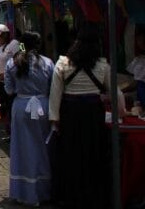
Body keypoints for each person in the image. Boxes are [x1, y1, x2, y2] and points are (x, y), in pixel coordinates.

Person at [48, 28, 119, 208]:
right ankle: (93, 196)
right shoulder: (102, 66)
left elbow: (55, 94)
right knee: (93, 153)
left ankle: (70, 196)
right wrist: (121, 112)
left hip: (70, 113)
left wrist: (54, 119)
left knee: (71, 154)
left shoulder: (63, 63)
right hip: (93, 114)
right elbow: (115, 94)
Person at [4, 31, 54, 206]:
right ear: (38, 45)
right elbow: (52, 88)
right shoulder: (48, 63)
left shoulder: (12, 63)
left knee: (21, 148)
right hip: (43, 106)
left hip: (21, 107)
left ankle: (22, 190)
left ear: (21, 44)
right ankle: (42, 190)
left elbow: (9, 89)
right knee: (42, 146)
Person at [0, 24, 19, 137]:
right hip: (1, 83)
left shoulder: (17, 43)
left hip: (14, 82)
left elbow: (24, 55)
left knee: (13, 107)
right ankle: (9, 131)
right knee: (6, 107)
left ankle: (16, 132)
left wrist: (9, 73)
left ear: (5, 35)